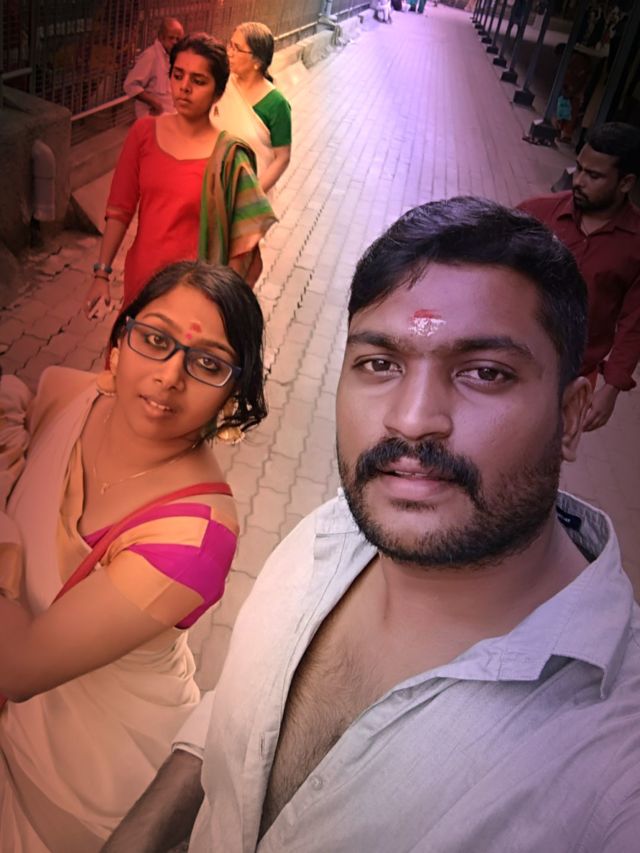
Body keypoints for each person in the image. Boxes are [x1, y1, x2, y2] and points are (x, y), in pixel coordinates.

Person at [104, 197, 640, 853]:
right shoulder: (326, 536)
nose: (411, 419)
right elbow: (240, 708)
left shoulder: (609, 756)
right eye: (380, 364)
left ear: (573, 414)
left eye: (485, 373)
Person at [0, 260, 268, 851]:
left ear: (233, 394)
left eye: (208, 364)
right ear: (120, 343)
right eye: (155, 339)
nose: (169, 376)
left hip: (87, 775)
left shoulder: (195, 539)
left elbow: (18, 668)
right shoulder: (73, 397)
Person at [86, 33, 276, 316]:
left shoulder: (230, 158)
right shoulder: (143, 134)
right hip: (142, 285)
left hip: (198, 299)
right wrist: (101, 274)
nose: (184, 87)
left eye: (198, 81)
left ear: (218, 92)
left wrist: (223, 309)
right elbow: (119, 209)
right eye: (178, 76)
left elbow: (244, 247)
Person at [519, 122, 640, 431]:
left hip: (571, 379)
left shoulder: (636, 245)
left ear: (626, 183)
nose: (578, 180)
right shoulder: (536, 214)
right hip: (510, 357)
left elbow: (634, 323)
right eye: (580, 168)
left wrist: (611, 388)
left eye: (594, 176)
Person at [212, 22, 291, 195]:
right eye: (230, 45)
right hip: (213, 191)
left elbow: (283, 157)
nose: (229, 52)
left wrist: (253, 197)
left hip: (251, 198)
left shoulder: (276, 103)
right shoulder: (223, 84)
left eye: (237, 48)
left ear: (257, 61)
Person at [123, 17, 184, 119]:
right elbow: (130, 85)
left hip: (170, 114)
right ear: (161, 37)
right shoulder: (151, 55)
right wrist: (154, 102)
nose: (175, 42)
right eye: (171, 38)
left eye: (178, 39)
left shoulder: (174, 56)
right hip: (153, 116)